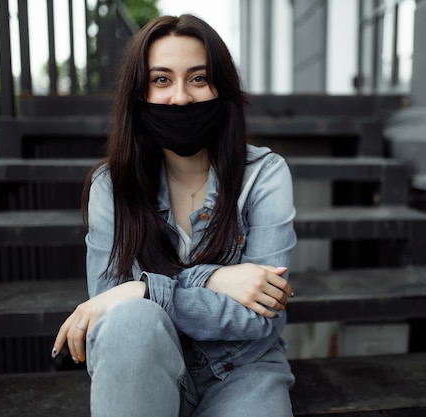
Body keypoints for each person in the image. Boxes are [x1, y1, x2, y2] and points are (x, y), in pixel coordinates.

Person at [51, 14, 297, 417]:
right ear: (139, 94)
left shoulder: (264, 176)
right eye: (161, 80)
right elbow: (112, 311)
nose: (181, 97)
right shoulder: (110, 187)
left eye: (198, 78)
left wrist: (144, 289)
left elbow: (260, 319)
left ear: (222, 87)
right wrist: (215, 277)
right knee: (130, 323)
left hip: (241, 369)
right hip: (142, 361)